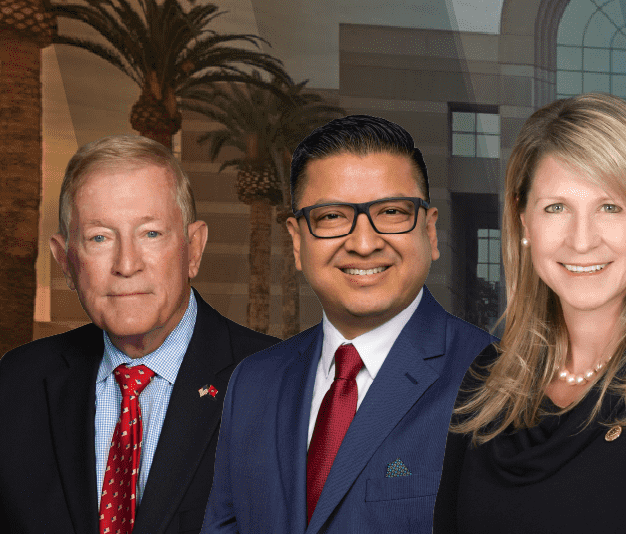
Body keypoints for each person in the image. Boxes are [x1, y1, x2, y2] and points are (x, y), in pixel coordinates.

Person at [203, 116, 497, 534]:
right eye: (332, 216)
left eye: (392, 212)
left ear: (430, 232)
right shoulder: (253, 383)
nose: (363, 243)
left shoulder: (496, 381)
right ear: (297, 241)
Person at [436, 94, 626, 533]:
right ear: (523, 220)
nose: (582, 241)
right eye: (556, 207)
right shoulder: (485, 382)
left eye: (610, 207)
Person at [0, 135, 278, 534]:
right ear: (66, 260)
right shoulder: (18, 383)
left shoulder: (274, 381)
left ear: (193, 248)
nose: (126, 265)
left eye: (150, 234)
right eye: (100, 237)